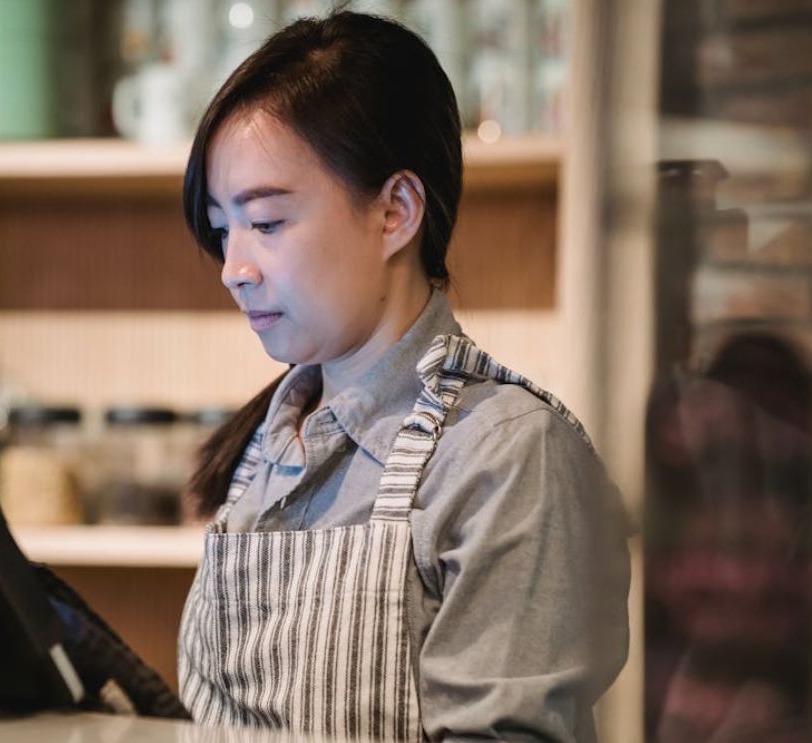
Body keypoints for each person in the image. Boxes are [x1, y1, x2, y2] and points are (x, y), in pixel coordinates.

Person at [176, 10, 631, 743]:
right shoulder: (265, 446)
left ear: (395, 210)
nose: (233, 268)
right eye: (221, 228)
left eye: (265, 223)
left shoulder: (507, 454)